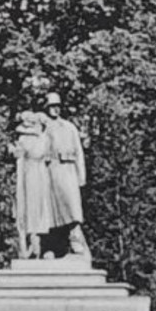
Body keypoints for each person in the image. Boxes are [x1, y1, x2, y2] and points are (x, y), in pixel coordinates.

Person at [42, 91, 89, 257]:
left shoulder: (69, 127)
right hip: (50, 171)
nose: (55, 109)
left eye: (57, 106)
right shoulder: (42, 128)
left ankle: (75, 239)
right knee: (50, 212)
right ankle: (49, 247)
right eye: (52, 106)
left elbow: (79, 153)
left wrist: (81, 175)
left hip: (68, 170)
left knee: (73, 207)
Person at [9, 111, 55, 258]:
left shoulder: (44, 138)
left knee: (42, 209)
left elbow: (44, 153)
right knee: (31, 208)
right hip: (31, 175)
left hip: (41, 175)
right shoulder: (25, 139)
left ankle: (41, 245)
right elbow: (29, 154)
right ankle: (31, 244)